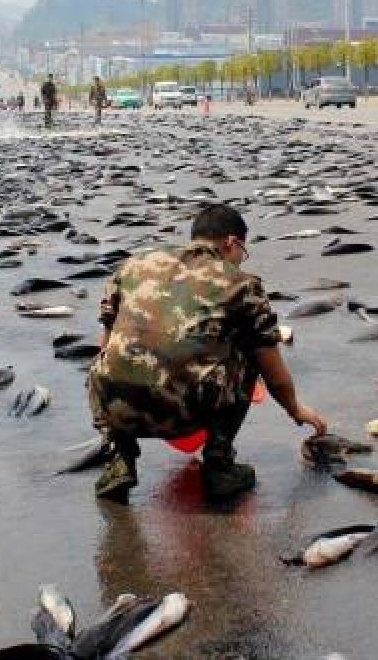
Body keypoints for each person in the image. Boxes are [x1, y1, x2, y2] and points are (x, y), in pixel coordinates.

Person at [87, 202, 330, 503]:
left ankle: (118, 460)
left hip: (117, 407)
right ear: (231, 242)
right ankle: (219, 464)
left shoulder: (132, 266)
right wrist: (295, 409)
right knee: (251, 350)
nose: (241, 260)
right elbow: (272, 372)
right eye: (243, 251)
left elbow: (106, 344)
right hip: (186, 411)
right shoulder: (242, 284)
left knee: (108, 362)